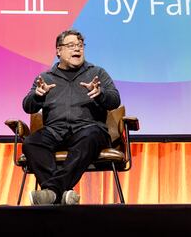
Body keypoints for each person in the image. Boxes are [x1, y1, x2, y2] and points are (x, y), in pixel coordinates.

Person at [21, 29, 121, 205]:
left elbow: (114, 100)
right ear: (58, 51)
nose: (77, 49)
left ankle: (52, 192)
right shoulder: (45, 78)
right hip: (56, 131)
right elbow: (27, 106)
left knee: (90, 136)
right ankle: (61, 194)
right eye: (71, 45)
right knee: (31, 143)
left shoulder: (97, 73)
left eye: (80, 45)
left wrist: (100, 94)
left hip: (88, 130)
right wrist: (38, 96)